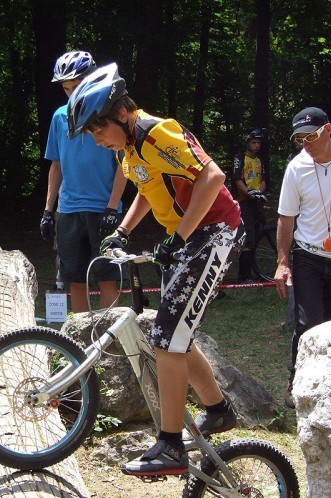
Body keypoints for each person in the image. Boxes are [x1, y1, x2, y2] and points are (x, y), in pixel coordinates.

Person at [67, 63, 244, 476]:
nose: (96, 141)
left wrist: (180, 237)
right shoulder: (130, 149)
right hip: (187, 237)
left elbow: (213, 176)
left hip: (215, 233)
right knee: (175, 334)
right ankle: (218, 410)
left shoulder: (158, 131)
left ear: (120, 114)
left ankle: (169, 446)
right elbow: (147, 191)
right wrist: (124, 232)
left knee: (166, 338)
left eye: (96, 130)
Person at [275, 107, 331, 407]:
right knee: (308, 324)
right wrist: (282, 261)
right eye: (300, 139)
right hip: (309, 256)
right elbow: (286, 218)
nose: (307, 144)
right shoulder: (297, 168)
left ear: (328, 129)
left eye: (311, 136)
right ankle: (296, 383)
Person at [41, 51, 127, 312]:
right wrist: (48, 210)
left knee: (107, 277)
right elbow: (56, 165)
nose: (71, 93)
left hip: (103, 208)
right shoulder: (58, 117)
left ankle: (109, 337)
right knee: (75, 279)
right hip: (68, 210)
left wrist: (112, 208)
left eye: (76, 87)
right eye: (66, 88)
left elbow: (125, 165)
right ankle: (81, 342)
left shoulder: (108, 115)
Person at [233, 129, 268, 283]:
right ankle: (243, 276)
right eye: (254, 142)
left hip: (256, 202)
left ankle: (253, 271)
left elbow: (263, 180)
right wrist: (249, 193)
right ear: (247, 142)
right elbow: (237, 179)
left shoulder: (259, 160)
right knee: (248, 238)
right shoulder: (240, 158)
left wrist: (259, 193)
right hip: (244, 201)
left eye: (259, 143)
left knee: (258, 233)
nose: (256, 146)